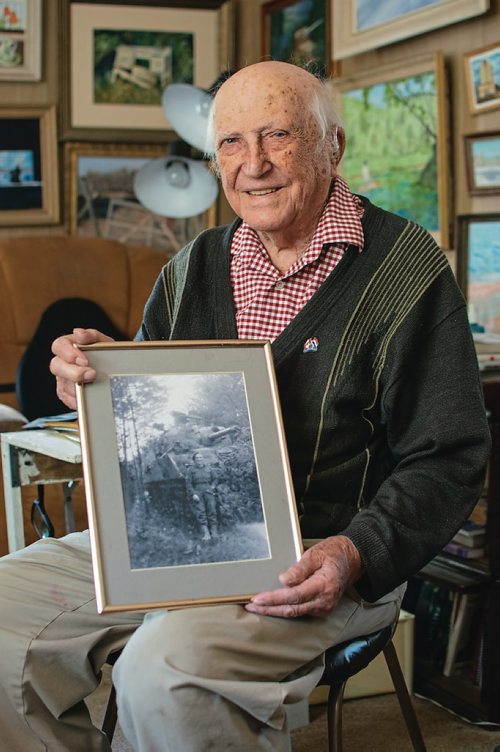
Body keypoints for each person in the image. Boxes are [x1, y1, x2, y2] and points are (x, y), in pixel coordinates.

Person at [0, 61, 490, 752]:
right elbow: (138, 422)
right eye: (231, 142)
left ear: (332, 146)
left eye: (278, 135)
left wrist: (357, 553)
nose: (253, 164)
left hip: (325, 555)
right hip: (171, 548)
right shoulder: (193, 265)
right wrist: (92, 379)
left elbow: (450, 456)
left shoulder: (406, 272)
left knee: (164, 670)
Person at [184, 451, 219, 541]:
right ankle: (206, 533)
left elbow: (215, 478)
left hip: (208, 490)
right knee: (200, 512)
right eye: (197, 458)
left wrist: (212, 487)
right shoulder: (190, 471)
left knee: (212, 510)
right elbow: (188, 484)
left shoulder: (209, 468)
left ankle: (214, 532)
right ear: (194, 460)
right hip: (197, 491)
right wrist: (193, 494)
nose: (199, 459)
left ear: (203, 459)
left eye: (200, 458)